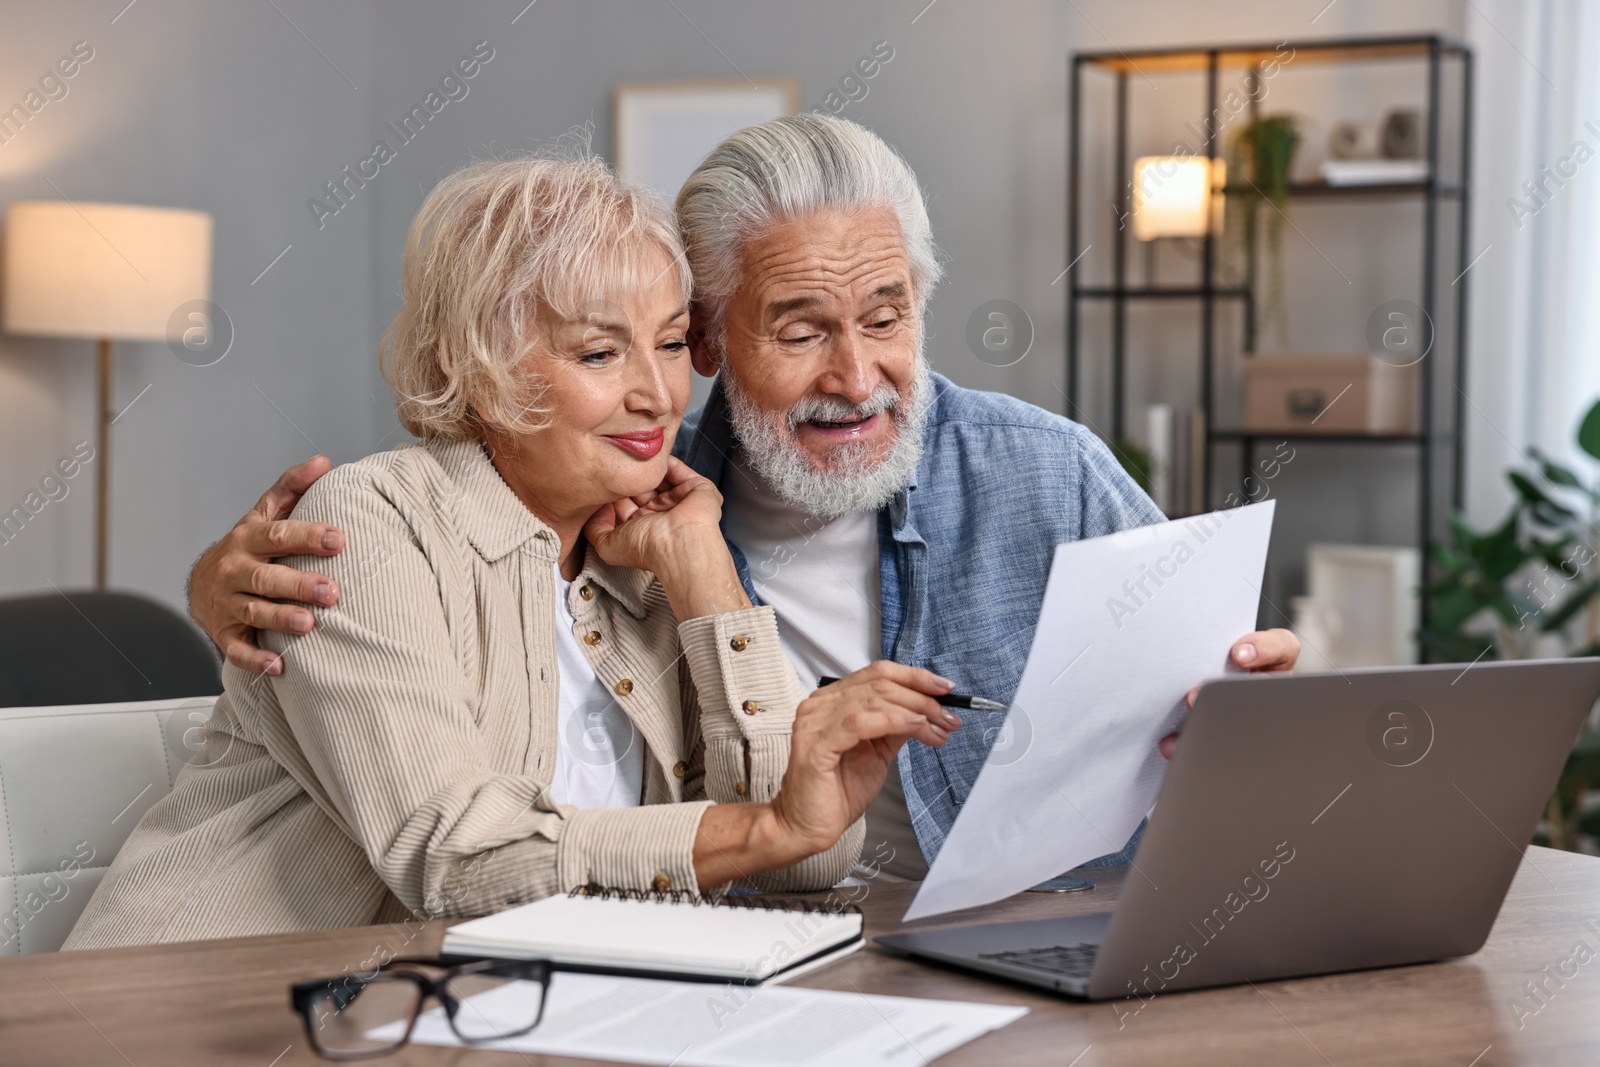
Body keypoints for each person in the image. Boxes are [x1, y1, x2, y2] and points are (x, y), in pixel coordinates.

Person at [187, 115, 1298, 888]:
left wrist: (1249, 712)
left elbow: (1228, 707)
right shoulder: (627, 507)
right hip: (286, 991)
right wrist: (211, 591)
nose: (856, 378)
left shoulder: (1037, 469)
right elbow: (476, 847)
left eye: (887, 315)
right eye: (804, 329)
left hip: (1039, 926)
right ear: (722, 342)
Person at [64, 156, 958, 950]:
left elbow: (798, 858)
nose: (657, 394)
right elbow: (455, 859)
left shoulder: (651, 549)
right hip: (204, 1012)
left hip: (493, 1018)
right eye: (601, 351)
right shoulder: (370, 527)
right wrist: (762, 831)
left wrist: (710, 583)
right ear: (480, 366)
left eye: (673, 342)